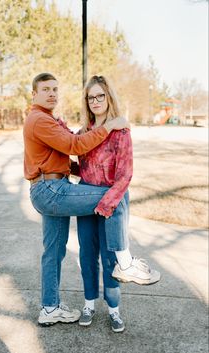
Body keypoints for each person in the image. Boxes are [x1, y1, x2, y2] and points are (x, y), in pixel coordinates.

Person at [23, 72, 130, 326]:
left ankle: (49, 308)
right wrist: (109, 126)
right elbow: (75, 146)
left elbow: (65, 159)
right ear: (34, 94)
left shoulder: (46, 119)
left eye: (55, 89)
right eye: (46, 89)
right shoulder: (40, 119)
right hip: (51, 190)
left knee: (54, 252)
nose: (52, 94)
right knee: (115, 195)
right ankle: (126, 262)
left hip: (49, 186)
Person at [77, 75, 161, 333]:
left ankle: (113, 308)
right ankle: (89, 303)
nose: (95, 101)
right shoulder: (83, 132)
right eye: (91, 97)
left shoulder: (120, 131)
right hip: (85, 200)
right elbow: (83, 167)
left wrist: (108, 203)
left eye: (100, 95)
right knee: (87, 255)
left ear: (109, 97)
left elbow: (125, 174)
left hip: (112, 201)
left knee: (111, 257)